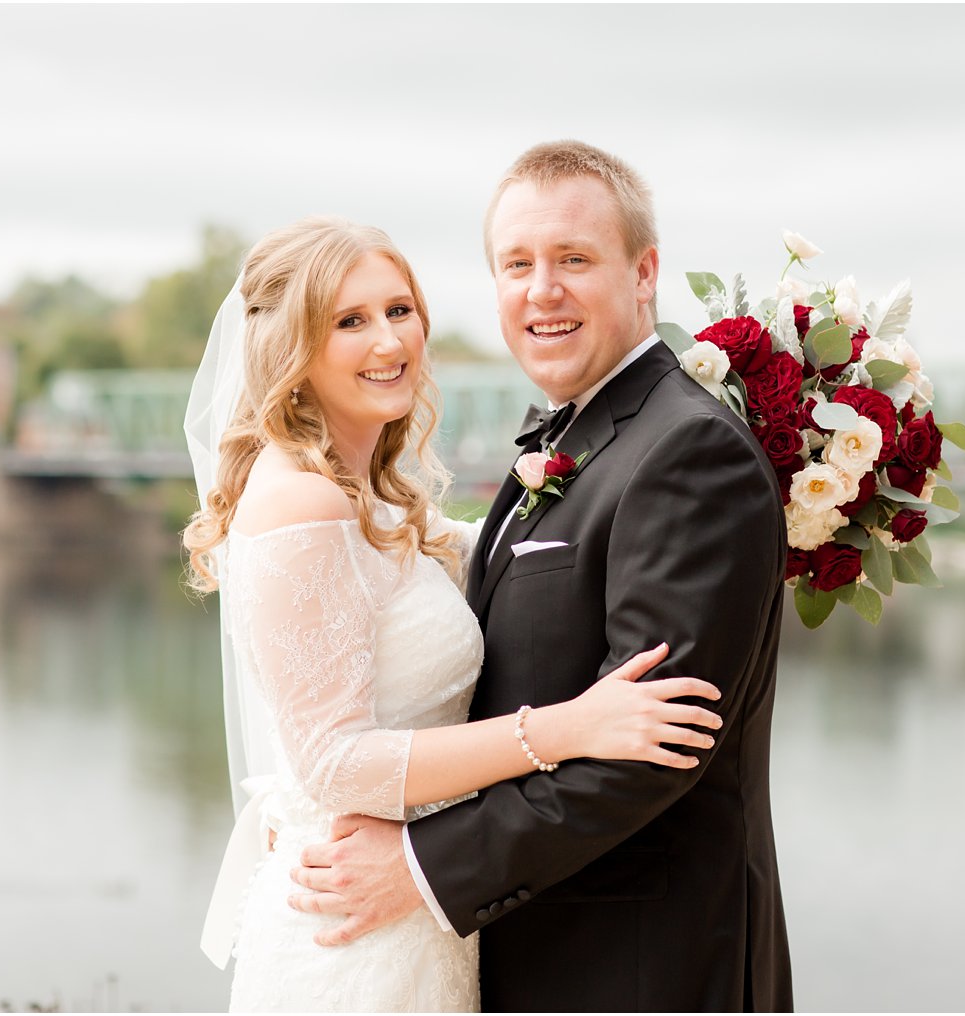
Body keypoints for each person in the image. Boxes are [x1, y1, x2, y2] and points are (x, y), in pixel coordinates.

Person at [289, 142, 794, 1012]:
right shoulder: (578, 440)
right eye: (516, 264)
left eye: (573, 260)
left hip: (641, 971)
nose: (541, 291)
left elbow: (651, 752)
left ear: (645, 274)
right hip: (537, 953)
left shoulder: (687, 451)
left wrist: (419, 866)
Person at [181, 216, 726, 1011]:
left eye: (399, 310)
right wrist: (566, 729)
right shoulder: (301, 499)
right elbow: (333, 762)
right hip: (351, 935)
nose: (389, 341)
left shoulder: (370, 495)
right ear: (291, 351)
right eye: (349, 321)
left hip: (418, 917)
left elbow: (518, 560)